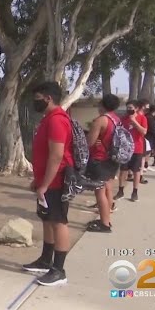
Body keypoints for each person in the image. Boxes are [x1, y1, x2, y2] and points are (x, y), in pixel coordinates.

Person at [22, 81, 75, 286]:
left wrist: (45, 184)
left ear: (48, 98)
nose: (34, 102)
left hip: (56, 181)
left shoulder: (57, 121)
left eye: (37, 99)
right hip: (46, 181)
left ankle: (59, 270)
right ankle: (45, 260)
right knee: (47, 219)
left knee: (58, 222)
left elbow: (56, 155)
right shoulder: (48, 119)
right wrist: (38, 181)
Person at [85, 94, 121, 233]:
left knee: (100, 193)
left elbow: (90, 142)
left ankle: (104, 224)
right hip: (113, 159)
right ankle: (106, 219)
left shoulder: (100, 120)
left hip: (100, 159)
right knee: (107, 189)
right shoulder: (116, 119)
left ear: (102, 105)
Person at [115, 100, 148, 202]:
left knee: (136, 171)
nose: (129, 110)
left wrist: (134, 122)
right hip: (125, 149)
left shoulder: (142, 118)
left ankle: (135, 192)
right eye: (127, 108)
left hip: (137, 148)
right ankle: (120, 191)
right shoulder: (123, 119)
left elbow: (144, 132)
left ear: (136, 108)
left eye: (131, 108)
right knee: (123, 170)